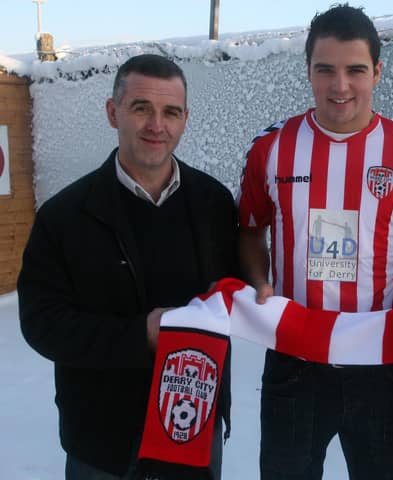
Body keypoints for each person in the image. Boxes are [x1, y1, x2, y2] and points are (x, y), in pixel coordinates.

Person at [236, 4, 393, 479]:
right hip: (294, 356)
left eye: (355, 70)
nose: (340, 85)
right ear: (308, 70)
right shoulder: (271, 148)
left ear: (378, 72)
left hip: (379, 358)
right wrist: (259, 281)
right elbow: (249, 229)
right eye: (325, 69)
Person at [18, 54, 237, 480]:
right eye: (141, 109)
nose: (157, 125)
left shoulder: (213, 204)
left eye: (170, 112)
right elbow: (42, 323)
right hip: (103, 443)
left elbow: (232, 291)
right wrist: (142, 335)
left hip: (192, 430)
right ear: (112, 112)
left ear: (185, 119)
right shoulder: (64, 216)